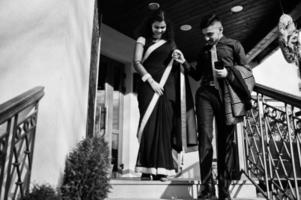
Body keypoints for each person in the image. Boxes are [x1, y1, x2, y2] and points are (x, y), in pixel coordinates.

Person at [174, 14, 251, 200]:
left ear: (220, 30)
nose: (206, 38)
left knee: (226, 142)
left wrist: (228, 73)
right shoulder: (203, 50)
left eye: (209, 34)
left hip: (226, 97)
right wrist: (184, 61)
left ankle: (224, 190)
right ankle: (207, 189)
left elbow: (247, 71)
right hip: (205, 95)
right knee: (205, 140)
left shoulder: (234, 45)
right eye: (204, 35)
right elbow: (196, 75)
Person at [133, 9, 197, 181]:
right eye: (156, 27)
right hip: (148, 87)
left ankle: (163, 169)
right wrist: (151, 81)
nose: (159, 30)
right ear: (150, 25)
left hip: (167, 90)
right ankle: (146, 170)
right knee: (149, 126)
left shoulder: (170, 42)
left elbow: (177, 61)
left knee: (165, 129)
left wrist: (179, 56)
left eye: (162, 27)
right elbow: (136, 62)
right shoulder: (142, 40)